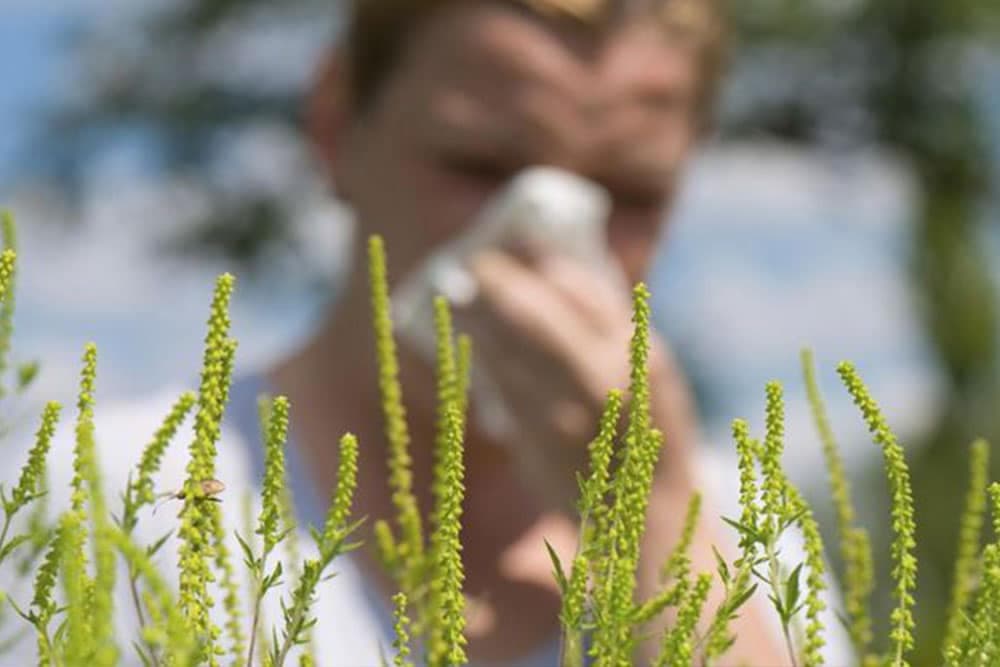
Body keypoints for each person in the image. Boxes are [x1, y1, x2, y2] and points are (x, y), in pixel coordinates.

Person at [1, 0, 849, 664]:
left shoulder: (737, 526)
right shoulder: (106, 496)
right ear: (336, 126)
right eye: (477, 167)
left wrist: (653, 525)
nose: (540, 243)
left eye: (628, 192)